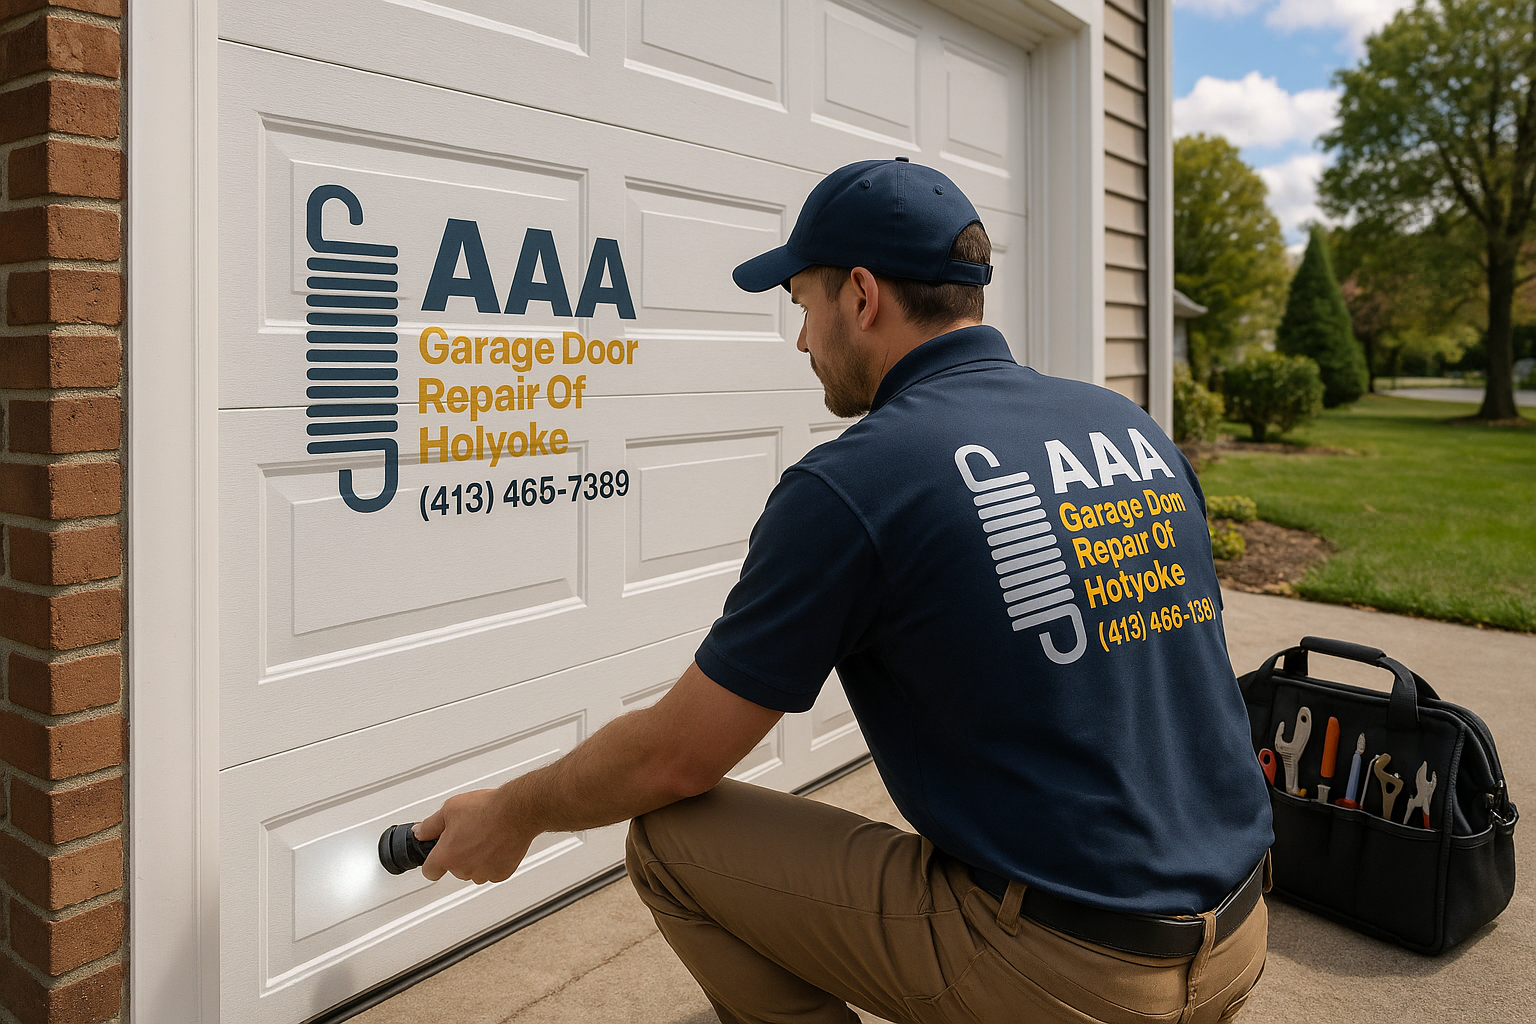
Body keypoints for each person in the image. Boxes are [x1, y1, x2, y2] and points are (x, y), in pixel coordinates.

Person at [414, 158, 1274, 1024]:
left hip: (1078, 977)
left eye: (802, 306)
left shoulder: (860, 480)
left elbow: (675, 759)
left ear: (861, 296)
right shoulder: (1125, 425)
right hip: (1240, 935)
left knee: (670, 839)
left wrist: (514, 811)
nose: (801, 341)